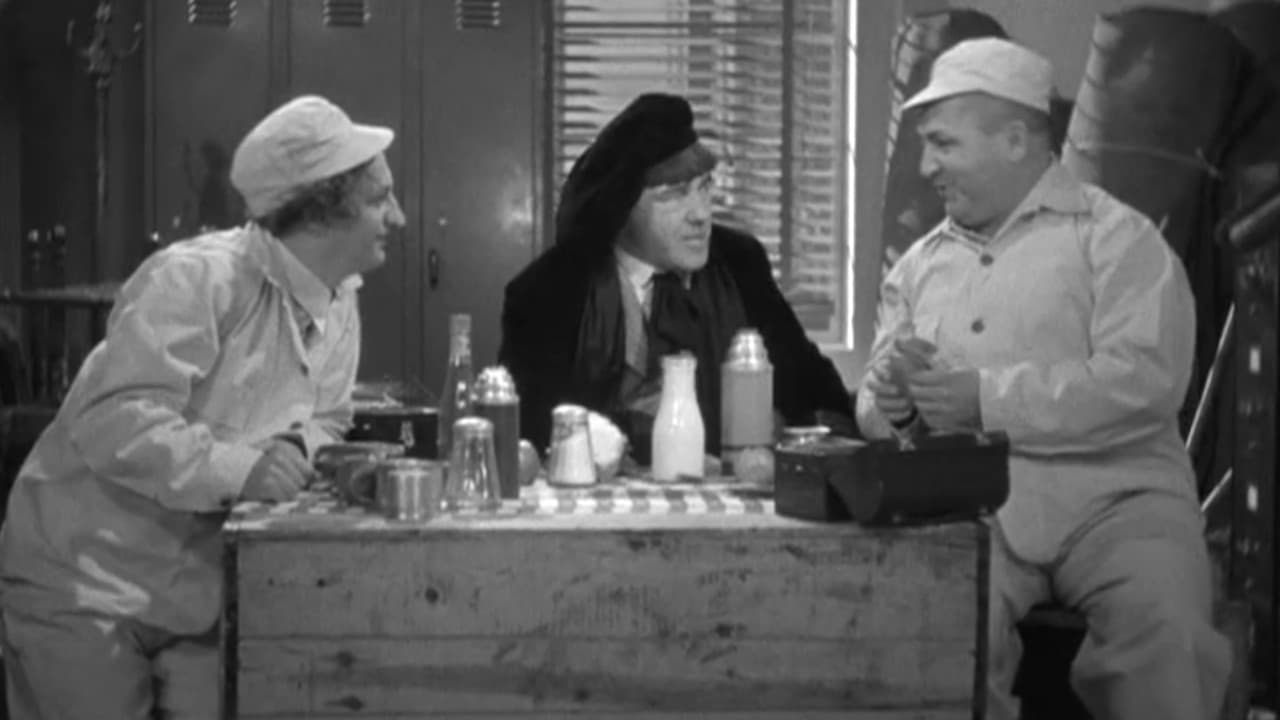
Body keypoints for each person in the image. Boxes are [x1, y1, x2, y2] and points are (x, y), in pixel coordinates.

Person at [855, 37, 1232, 720]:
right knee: (934, 634)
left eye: (942, 143)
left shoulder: (1118, 240)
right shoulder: (916, 267)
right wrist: (895, 407)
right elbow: (875, 409)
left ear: (1014, 140)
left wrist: (985, 401)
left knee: (1167, 638)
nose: (926, 166)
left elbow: (1144, 381)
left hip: (1123, 506)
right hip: (980, 508)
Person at [0, 94, 406, 718]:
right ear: (323, 209)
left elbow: (327, 417)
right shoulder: (199, 279)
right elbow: (115, 418)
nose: (398, 218)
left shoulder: (339, 300)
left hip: (195, 593)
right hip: (84, 580)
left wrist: (299, 452)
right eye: (381, 199)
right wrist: (243, 469)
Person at [499, 93, 853, 463]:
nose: (701, 214)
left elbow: (818, 397)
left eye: (705, 187)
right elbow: (527, 441)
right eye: (675, 194)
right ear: (623, 206)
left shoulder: (739, 265)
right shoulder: (550, 292)